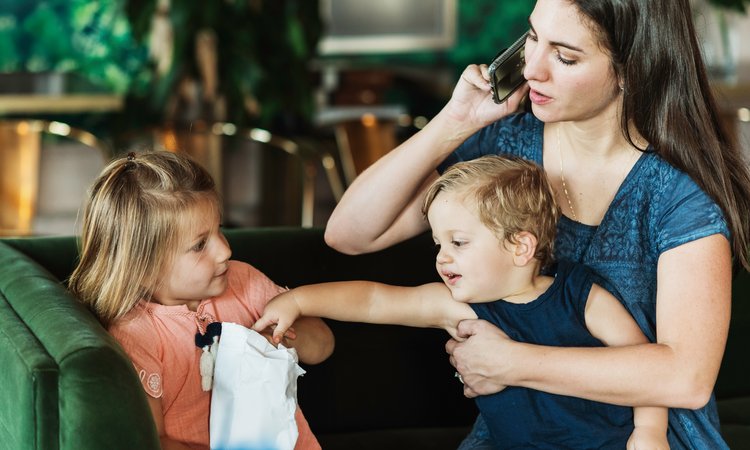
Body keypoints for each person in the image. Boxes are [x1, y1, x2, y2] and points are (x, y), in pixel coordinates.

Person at [323, 0, 750, 448]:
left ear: (631, 70)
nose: (532, 70)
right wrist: (455, 122)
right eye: (531, 38)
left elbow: (686, 379)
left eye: (565, 56)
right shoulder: (506, 146)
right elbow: (350, 234)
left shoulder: (680, 196)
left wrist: (509, 362)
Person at [255, 155, 669, 449]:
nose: (442, 257)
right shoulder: (459, 307)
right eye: (438, 243)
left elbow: (641, 367)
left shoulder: (583, 297)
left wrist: (649, 432)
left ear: (521, 246)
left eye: (459, 242)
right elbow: (375, 300)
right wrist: (299, 299)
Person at [68, 151, 334, 450]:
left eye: (220, 229)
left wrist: (280, 338)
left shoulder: (242, 281)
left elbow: (323, 346)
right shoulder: (136, 334)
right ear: (141, 266)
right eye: (199, 245)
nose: (224, 251)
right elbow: (154, 441)